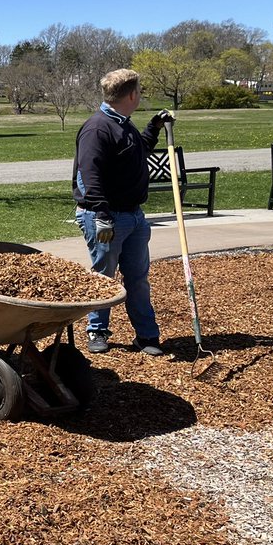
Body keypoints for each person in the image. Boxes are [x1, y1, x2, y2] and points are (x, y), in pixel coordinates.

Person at [72, 68, 173, 356]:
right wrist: (101, 214)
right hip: (105, 217)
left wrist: (154, 125)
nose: (140, 95)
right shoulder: (97, 128)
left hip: (134, 217)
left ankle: (146, 336)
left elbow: (139, 150)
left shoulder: (123, 124)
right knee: (104, 277)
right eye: (139, 91)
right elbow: (88, 175)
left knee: (138, 278)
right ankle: (97, 330)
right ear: (131, 94)